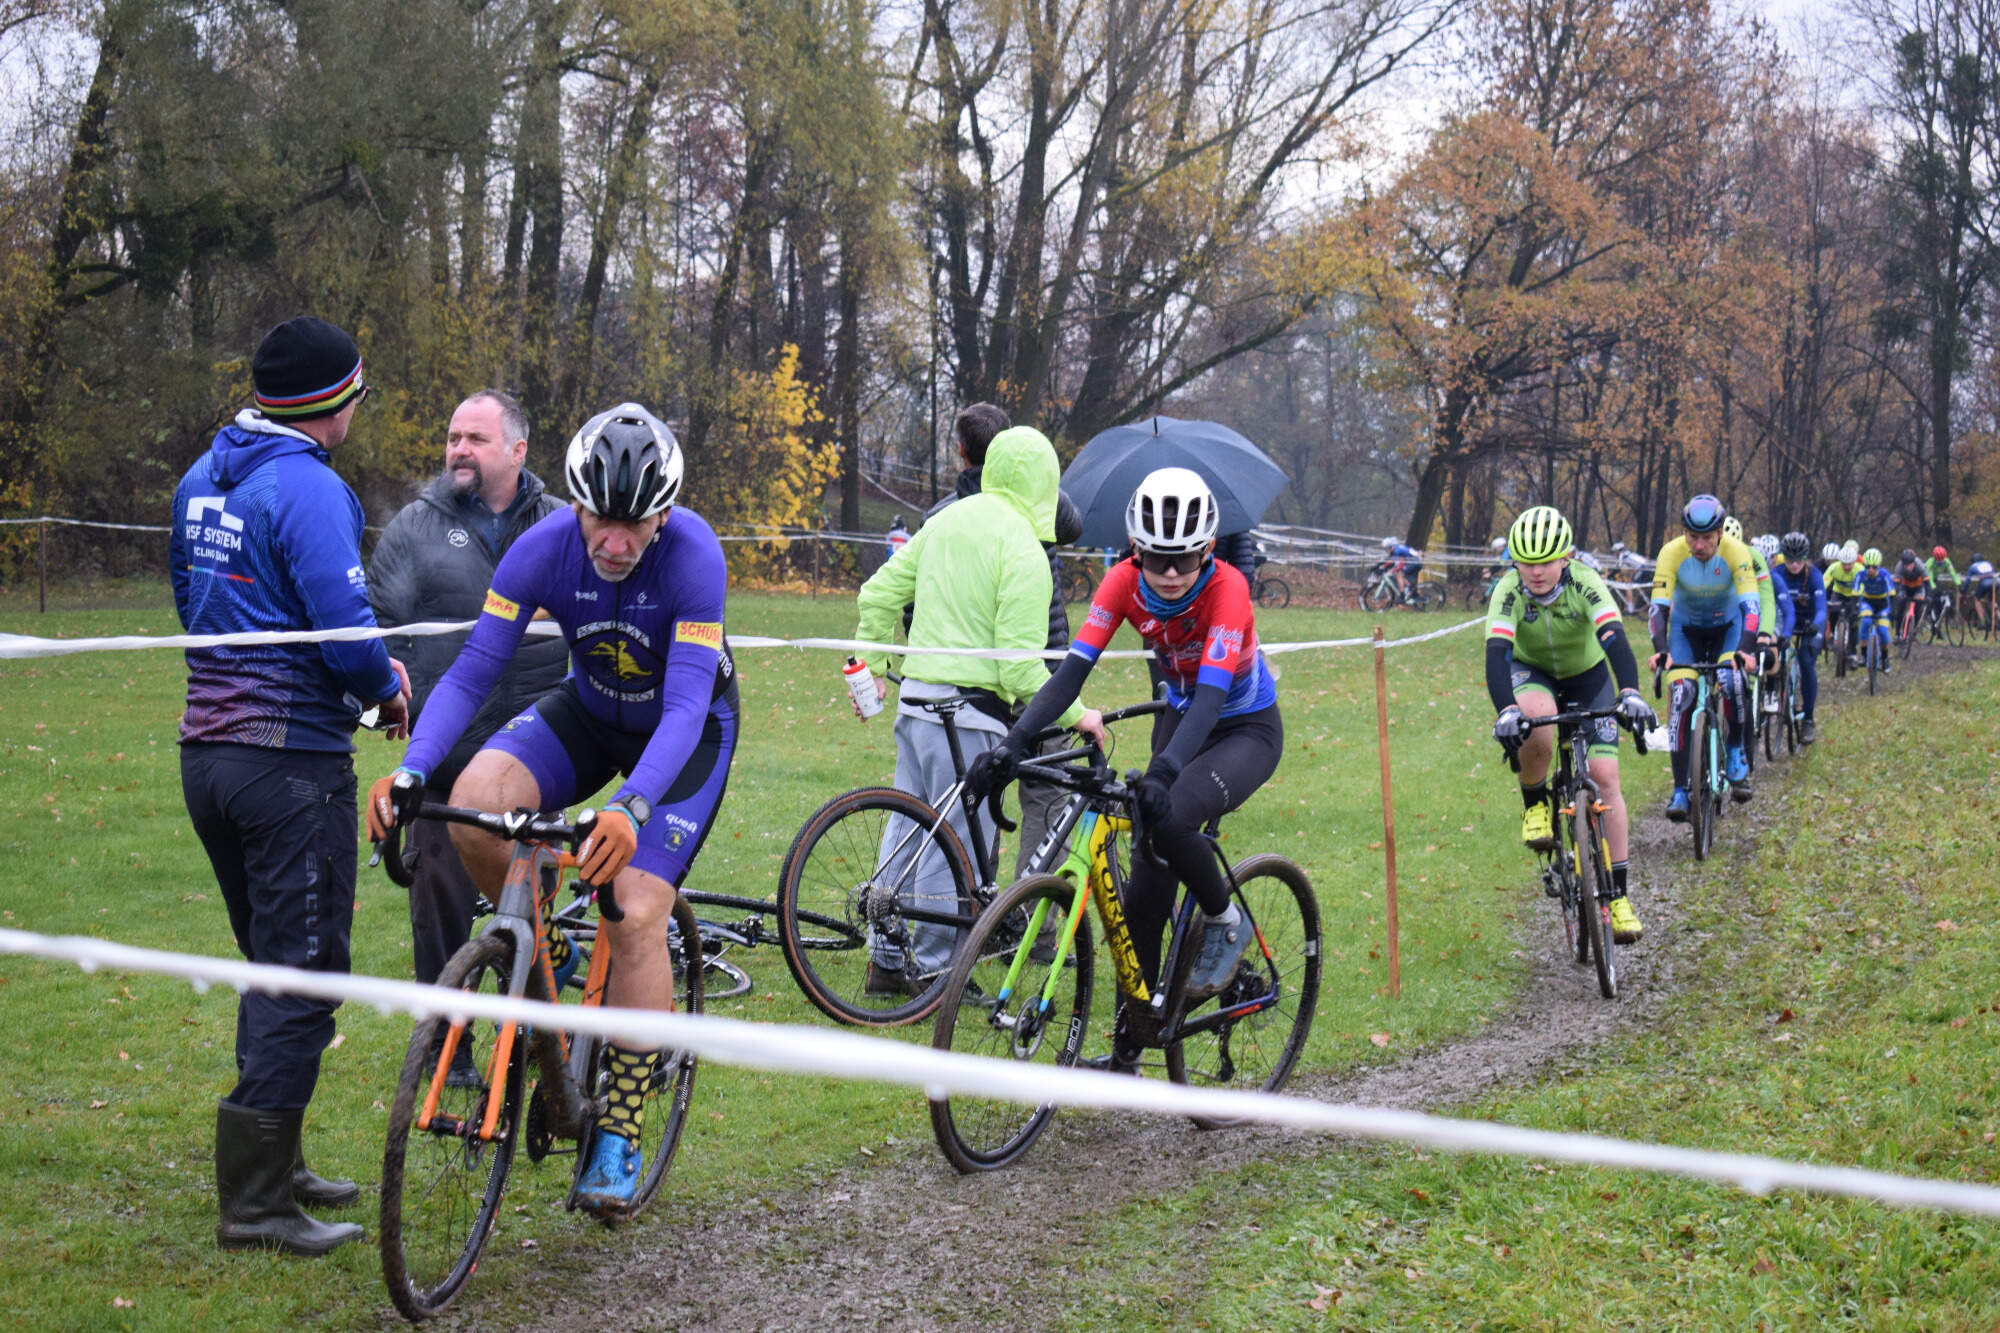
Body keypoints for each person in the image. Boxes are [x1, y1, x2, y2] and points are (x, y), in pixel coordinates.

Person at [366, 402, 739, 1221]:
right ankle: (544, 961)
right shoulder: (541, 549)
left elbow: (682, 707)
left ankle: (621, 1127)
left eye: (635, 525)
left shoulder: (694, 556)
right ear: (575, 506)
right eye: (601, 520)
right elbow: (470, 673)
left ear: (664, 515)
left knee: (636, 908)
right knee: (471, 805)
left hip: (685, 734)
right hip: (590, 710)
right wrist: (411, 767)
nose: (615, 541)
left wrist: (634, 806)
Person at [171, 315, 410, 1257]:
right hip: (289, 765)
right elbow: (347, 638)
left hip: (207, 757)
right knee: (303, 974)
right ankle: (259, 1202)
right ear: (332, 400)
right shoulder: (310, 487)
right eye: (354, 387)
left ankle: (282, 1160)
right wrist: (388, 688)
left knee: (271, 963)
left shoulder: (203, 473)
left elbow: (188, 603)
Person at [966, 467, 1283, 1073]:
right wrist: (1012, 745)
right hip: (1181, 715)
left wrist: (1164, 772)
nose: (1168, 574)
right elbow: (1069, 675)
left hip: (1243, 727)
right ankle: (1128, 1051)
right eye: (1157, 559)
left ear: (1207, 551)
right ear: (1135, 552)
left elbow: (1214, 697)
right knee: (1143, 891)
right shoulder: (1121, 584)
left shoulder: (1229, 591)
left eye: (1183, 561)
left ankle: (1224, 918)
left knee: (1176, 816)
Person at [854, 426, 1103, 991]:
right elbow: (1019, 671)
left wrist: (868, 660)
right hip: (968, 715)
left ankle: (887, 959)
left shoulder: (943, 520)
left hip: (916, 701)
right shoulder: (1026, 550)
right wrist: (1078, 713)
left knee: (907, 830)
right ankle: (940, 969)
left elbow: (877, 594)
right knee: (957, 846)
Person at [366, 390, 567, 1042]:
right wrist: (381, 710)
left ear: (517, 449)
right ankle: (445, 1049)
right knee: (440, 912)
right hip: (447, 763)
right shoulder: (414, 528)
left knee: (531, 907)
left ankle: (541, 1043)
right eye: (453, 436)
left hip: (538, 760)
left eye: (475, 439)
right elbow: (376, 634)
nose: (458, 449)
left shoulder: (563, 526)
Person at [915, 403, 1087, 880]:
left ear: (960, 451)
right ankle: (1034, 924)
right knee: (1047, 795)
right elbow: (1073, 523)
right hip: (1035, 675)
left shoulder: (941, 516)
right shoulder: (1042, 508)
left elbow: (913, 600)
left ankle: (980, 910)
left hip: (970, 679)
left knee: (971, 793)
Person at [1485, 507, 1655, 942]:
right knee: (1535, 722)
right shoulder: (1507, 591)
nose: (1536, 572)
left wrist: (1630, 692)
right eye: (1526, 562)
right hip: (1532, 671)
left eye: (1546, 561)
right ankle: (1536, 803)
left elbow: (1615, 639)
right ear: (1514, 563)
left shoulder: (1585, 581)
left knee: (1605, 776)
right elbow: (1496, 657)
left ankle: (1617, 897)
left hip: (1588, 675)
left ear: (1567, 558)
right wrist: (1506, 710)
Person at [1649, 494, 1760, 817]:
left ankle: (1737, 750)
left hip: (1728, 628)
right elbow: (1657, 608)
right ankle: (1680, 790)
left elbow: (1751, 607)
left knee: (1732, 679)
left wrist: (1746, 649)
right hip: (1686, 631)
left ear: (1720, 534)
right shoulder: (1670, 553)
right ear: (1683, 533)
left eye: (1707, 538)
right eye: (1692, 537)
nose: (1699, 545)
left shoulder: (1736, 552)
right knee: (1682, 694)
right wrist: (1661, 651)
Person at [1771, 532, 1826, 744]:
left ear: (1806, 558)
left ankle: (1809, 719)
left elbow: (1822, 609)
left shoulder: (1814, 576)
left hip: (1810, 624)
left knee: (1805, 661)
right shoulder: (1776, 573)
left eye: (1799, 560)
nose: (1794, 565)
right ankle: (1774, 696)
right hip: (1785, 622)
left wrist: (1816, 624)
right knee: (1773, 654)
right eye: (1790, 560)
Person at [1854, 547, 1895, 669]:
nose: (1870, 570)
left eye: (1874, 567)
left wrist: (1894, 612)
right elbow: (1855, 593)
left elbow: (1892, 593)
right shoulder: (1860, 575)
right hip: (1868, 601)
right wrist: (1854, 609)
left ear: (1879, 566)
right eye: (1867, 567)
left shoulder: (1885, 575)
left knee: (1883, 631)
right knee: (1865, 622)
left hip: (1883, 604)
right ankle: (1863, 655)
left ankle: (1885, 658)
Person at [1823, 541, 1862, 663]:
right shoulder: (1834, 568)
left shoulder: (1859, 570)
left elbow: (1863, 586)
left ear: (1854, 562)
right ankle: (1834, 636)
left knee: (1854, 621)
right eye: (1844, 564)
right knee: (1833, 613)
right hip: (1838, 593)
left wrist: (1856, 602)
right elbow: (1824, 581)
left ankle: (1853, 651)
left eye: (1849, 564)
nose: (1847, 567)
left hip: (1854, 595)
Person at [1890, 547, 1929, 641]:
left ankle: (1912, 632)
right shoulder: (1899, 566)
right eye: (1906, 565)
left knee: (1918, 607)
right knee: (1900, 606)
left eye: (1910, 565)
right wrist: (1898, 595)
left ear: (1914, 562)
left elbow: (1927, 583)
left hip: (1918, 587)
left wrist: (1928, 596)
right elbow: (1896, 584)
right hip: (1905, 586)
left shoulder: (1920, 565)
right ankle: (1898, 633)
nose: (1908, 567)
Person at [1924, 544, 1960, 633]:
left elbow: (1953, 574)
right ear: (1935, 557)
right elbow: (1930, 577)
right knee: (1932, 598)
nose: (1941, 561)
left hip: (1935, 579)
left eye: (1942, 559)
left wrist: (1959, 584)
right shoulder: (1930, 563)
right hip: (1926, 579)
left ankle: (1937, 626)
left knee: (1939, 602)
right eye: (1939, 560)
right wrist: (1933, 588)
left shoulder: (1947, 562)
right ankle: (1927, 615)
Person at [1968, 552, 1996, 631]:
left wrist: (1963, 590)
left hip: (1984, 583)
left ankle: (1983, 622)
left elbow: (1968, 580)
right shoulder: (1988, 563)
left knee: (1977, 600)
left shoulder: (1973, 566)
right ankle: (1998, 616)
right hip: (1995, 582)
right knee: (1992, 600)